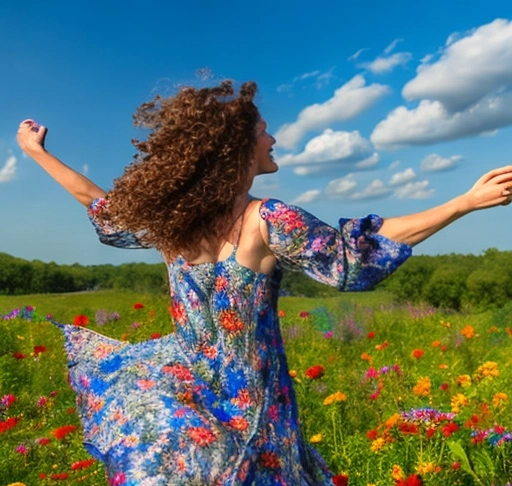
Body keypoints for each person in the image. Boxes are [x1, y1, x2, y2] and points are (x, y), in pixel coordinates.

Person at [16, 80, 512, 486]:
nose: (272, 140)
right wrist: (460, 203)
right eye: (263, 132)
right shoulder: (265, 218)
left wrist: (36, 154)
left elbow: (97, 202)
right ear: (237, 147)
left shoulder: (172, 222)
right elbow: (349, 255)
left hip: (192, 394)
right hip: (255, 406)